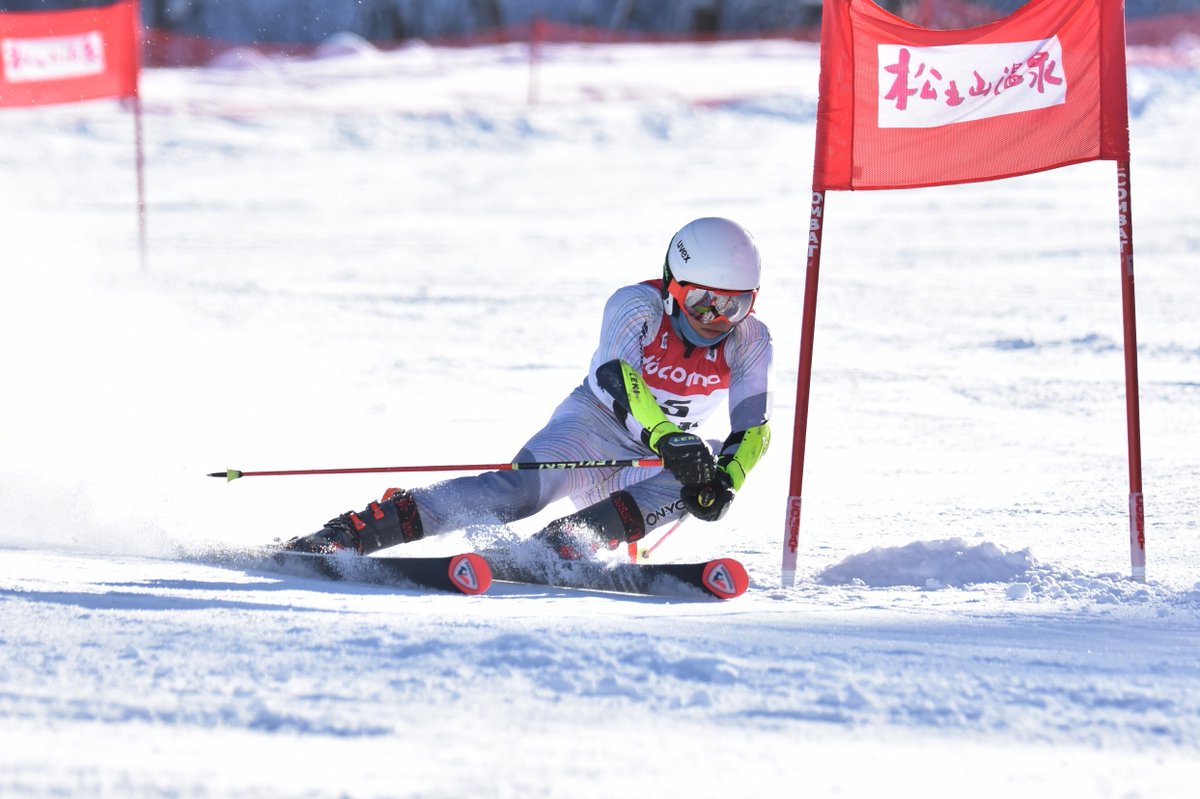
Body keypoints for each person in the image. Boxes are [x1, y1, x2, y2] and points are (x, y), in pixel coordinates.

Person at [284, 216, 774, 560]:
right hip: (593, 428)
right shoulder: (635, 305)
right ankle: (357, 531)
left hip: (656, 460)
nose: (715, 320)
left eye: (733, 306)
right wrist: (669, 437)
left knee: (710, 465)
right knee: (516, 495)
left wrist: (725, 481)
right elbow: (617, 379)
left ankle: (563, 546)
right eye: (703, 301)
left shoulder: (750, 340)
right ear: (673, 284)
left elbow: (754, 428)